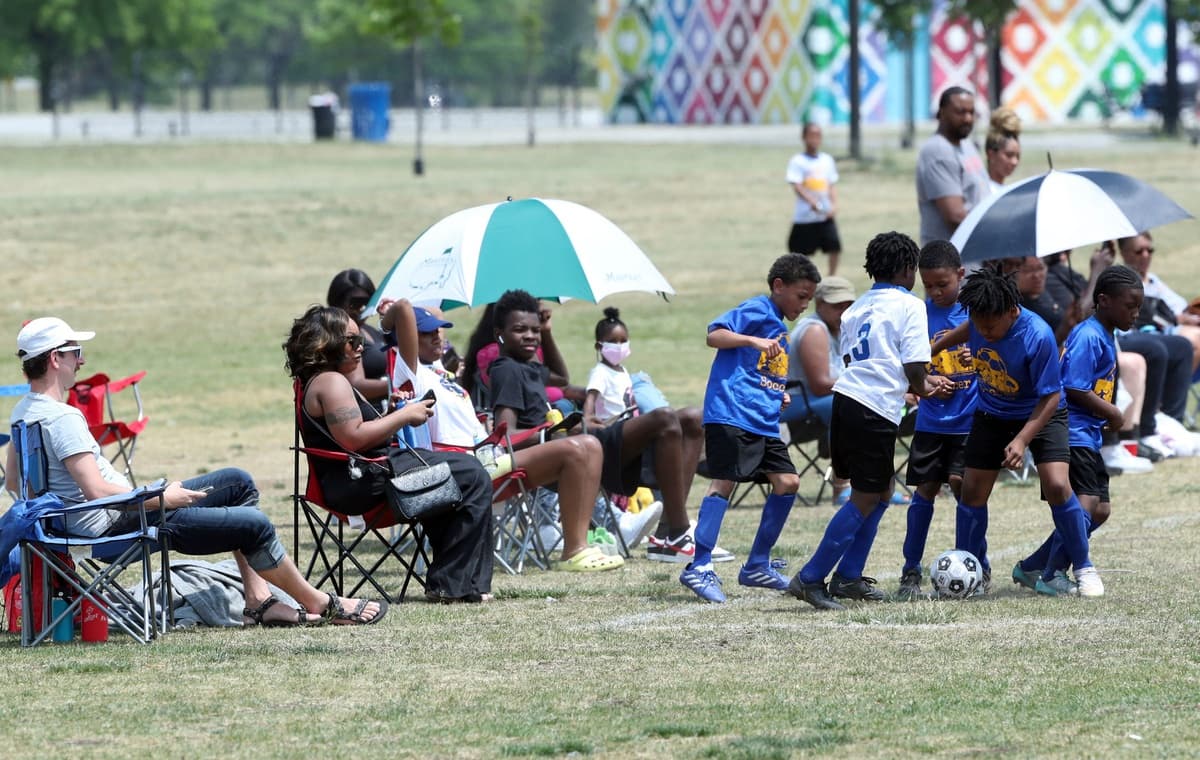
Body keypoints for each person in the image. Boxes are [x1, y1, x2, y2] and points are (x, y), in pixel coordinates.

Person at [8, 317, 386, 626]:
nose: (82, 361)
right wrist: (160, 498)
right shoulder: (62, 418)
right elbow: (95, 492)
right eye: (76, 353)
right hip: (121, 524)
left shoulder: (23, 412)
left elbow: (13, 484)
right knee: (253, 523)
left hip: (97, 519)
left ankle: (259, 600)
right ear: (55, 359)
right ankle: (320, 602)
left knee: (237, 483)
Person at [286, 305, 496, 602]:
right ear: (327, 342)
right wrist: (405, 416)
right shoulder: (330, 382)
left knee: (456, 473)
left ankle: (451, 583)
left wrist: (389, 411)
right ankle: (457, 585)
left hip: (361, 477)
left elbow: (350, 432)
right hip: (363, 484)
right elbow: (354, 438)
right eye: (352, 342)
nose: (361, 349)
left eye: (361, 342)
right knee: (471, 474)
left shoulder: (321, 380)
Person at [787, 233, 952, 611]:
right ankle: (811, 578)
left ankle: (848, 577)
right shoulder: (910, 306)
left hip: (846, 401)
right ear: (907, 269)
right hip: (872, 409)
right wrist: (927, 385)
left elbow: (856, 362)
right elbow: (913, 367)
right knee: (864, 498)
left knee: (879, 493)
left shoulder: (855, 309)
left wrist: (915, 385)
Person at [934, 267, 1104, 597]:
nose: (985, 332)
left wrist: (1023, 438)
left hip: (1041, 413)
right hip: (991, 413)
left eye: (991, 326)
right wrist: (935, 348)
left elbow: (1052, 396)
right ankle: (973, 568)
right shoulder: (983, 319)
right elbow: (969, 329)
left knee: (1057, 485)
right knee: (971, 492)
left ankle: (1083, 567)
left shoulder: (1036, 335)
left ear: (1012, 311)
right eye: (979, 324)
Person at [680, 254, 819, 603]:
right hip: (731, 412)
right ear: (778, 286)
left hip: (763, 420)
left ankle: (757, 564)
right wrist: (752, 340)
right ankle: (699, 565)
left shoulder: (779, 327)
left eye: (809, 299)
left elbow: (764, 372)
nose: (805, 305)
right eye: (801, 296)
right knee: (723, 482)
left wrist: (777, 395)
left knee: (788, 482)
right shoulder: (757, 310)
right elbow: (715, 335)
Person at [1012, 265, 1144, 596]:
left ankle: (1031, 566)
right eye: (1130, 306)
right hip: (1073, 432)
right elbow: (1072, 387)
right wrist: (1112, 411)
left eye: (1138, 306)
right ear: (1104, 301)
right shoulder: (1088, 335)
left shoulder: (1105, 332)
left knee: (1100, 509)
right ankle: (1052, 572)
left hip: (1089, 434)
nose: (1136, 313)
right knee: (1084, 505)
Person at [484, 290, 624, 572]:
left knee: (598, 439)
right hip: (526, 460)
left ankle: (605, 527)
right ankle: (579, 547)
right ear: (499, 333)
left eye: (534, 330)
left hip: (553, 448)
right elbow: (507, 435)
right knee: (592, 443)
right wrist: (549, 433)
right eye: (520, 330)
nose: (530, 336)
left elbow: (561, 378)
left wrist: (547, 332)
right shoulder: (507, 370)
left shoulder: (527, 365)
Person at [583, 306, 716, 561]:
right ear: (599, 345)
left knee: (693, 418)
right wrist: (594, 421)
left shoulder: (622, 373)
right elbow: (588, 409)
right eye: (612, 341)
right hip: (613, 439)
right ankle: (679, 531)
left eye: (623, 341)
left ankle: (669, 533)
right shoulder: (600, 372)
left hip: (631, 433)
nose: (619, 346)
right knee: (665, 415)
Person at [897, 240, 977, 600]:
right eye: (928, 285)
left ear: (961, 274)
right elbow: (910, 367)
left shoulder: (977, 315)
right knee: (924, 491)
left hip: (969, 422)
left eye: (942, 284)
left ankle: (974, 562)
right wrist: (926, 385)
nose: (935, 291)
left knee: (964, 487)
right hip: (931, 422)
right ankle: (910, 569)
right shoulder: (918, 315)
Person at [916, 87, 990, 246]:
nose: (968, 118)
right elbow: (955, 216)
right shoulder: (938, 151)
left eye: (971, 112)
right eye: (960, 112)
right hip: (953, 260)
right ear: (941, 113)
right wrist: (993, 236)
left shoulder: (966, 144)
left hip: (976, 252)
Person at [1119, 231, 1200, 373]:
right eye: (1139, 251)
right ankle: (1176, 390)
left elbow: (1180, 305)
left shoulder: (1153, 280)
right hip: (1151, 333)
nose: (1146, 255)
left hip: (1171, 328)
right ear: (1124, 253)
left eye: (1149, 250)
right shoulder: (1123, 283)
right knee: (1194, 338)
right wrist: (1177, 319)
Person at [327, 269, 390, 409]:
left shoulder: (369, 330)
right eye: (354, 304)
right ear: (337, 304)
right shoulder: (345, 336)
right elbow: (356, 385)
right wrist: (396, 385)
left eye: (366, 303)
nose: (361, 309)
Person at [786, 123, 841, 275]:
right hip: (806, 217)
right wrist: (813, 202)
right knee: (800, 253)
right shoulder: (798, 161)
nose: (815, 139)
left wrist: (834, 205)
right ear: (804, 137)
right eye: (812, 135)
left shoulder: (827, 160)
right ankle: (803, 279)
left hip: (825, 215)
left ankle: (831, 278)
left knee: (834, 247)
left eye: (818, 136)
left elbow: (831, 185)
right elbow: (797, 186)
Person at [984, 107, 1021, 193]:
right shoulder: (984, 192)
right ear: (991, 154)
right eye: (1009, 155)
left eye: (1017, 156)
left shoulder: (1004, 191)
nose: (1015, 162)